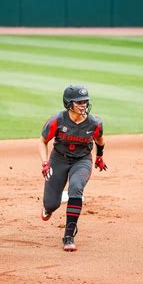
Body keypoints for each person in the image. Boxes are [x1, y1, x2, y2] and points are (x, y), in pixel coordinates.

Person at [39, 84, 107, 252]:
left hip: (82, 160)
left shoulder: (94, 123)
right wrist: (45, 162)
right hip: (58, 160)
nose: (83, 104)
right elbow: (42, 141)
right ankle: (48, 208)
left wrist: (99, 157)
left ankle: (69, 235)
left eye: (85, 101)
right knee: (52, 204)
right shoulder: (57, 120)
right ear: (69, 104)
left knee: (76, 188)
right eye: (79, 102)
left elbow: (100, 140)